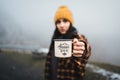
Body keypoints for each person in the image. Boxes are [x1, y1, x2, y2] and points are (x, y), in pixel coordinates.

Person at [45, 5, 91, 80]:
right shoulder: (54, 39)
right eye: (58, 22)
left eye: (65, 21)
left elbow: (85, 46)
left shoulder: (76, 38)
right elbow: (49, 63)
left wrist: (83, 49)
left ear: (70, 22)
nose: (62, 25)